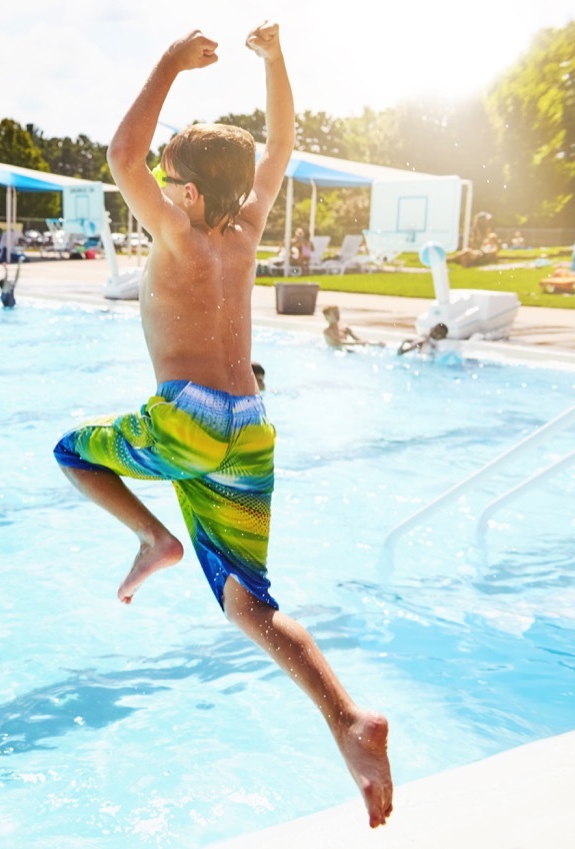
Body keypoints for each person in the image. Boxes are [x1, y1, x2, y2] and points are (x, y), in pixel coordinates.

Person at [52, 23, 392, 829]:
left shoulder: (177, 233)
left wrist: (170, 61)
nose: (158, 189)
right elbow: (280, 146)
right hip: (251, 423)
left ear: (191, 195)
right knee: (249, 602)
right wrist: (276, 60)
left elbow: (120, 156)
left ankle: (153, 540)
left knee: (72, 451)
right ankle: (348, 718)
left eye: (171, 180)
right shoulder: (244, 231)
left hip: (189, 421)